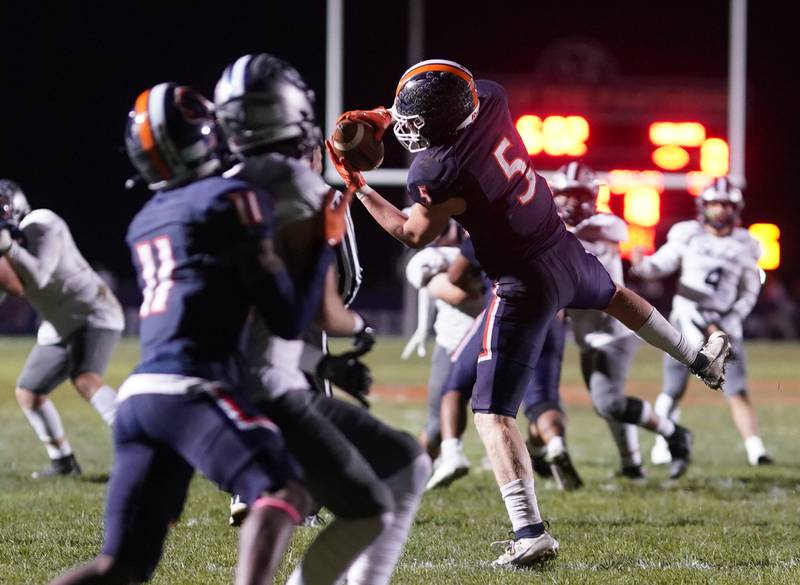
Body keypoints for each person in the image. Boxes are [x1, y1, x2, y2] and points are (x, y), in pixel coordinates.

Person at [327, 58, 730, 567]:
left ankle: (529, 531)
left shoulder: (438, 170)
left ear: (438, 123)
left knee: (492, 412)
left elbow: (412, 233)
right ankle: (699, 357)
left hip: (522, 280)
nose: (406, 126)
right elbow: (452, 96)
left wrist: (358, 185)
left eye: (413, 118)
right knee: (617, 297)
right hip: (560, 247)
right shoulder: (491, 98)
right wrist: (389, 112)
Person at [49, 82, 344, 585]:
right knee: (285, 490)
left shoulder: (144, 220)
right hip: (192, 391)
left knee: (118, 567)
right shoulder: (233, 199)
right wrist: (324, 240)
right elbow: (289, 318)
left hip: (140, 400)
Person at [215, 53, 430, 585]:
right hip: (279, 357)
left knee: (121, 560)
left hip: (193, 371)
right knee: (388, 473)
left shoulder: (207, 191)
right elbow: (344, 289)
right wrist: (356, 330)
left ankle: (254, 489)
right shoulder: (317, 195)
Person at [631, 177, 772, 467]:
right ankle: (662, 443)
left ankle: (756, 451)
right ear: (703, 206)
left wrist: (728, 321)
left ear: (736, 208)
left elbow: (749, 292)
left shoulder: (747, 244)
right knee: (673, 388)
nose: (720, 210)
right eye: (714, 204)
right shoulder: (688, 234)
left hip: (723, 330)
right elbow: (661, 264)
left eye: (726, 204)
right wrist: (642, 265)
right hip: (685, 322)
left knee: (737, 390)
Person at [423, 237, 582, 492]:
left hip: (505, 309)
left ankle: (452, 453)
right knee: (542, 399)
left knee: (455, 386)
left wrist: (475, 284)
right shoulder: (554, 231)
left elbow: (455, 276)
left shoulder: (490, 224)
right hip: (551, 316)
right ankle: (555, 444)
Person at [0, 179, 123, 478]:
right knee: (30, 391)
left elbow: (39, 276)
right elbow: (12, 288)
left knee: (86, 379)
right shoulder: (9, 245)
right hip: (58, 324)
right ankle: (64, 462)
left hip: (93, 312)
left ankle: (148, 444)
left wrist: (6, 247)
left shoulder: (42, 222)